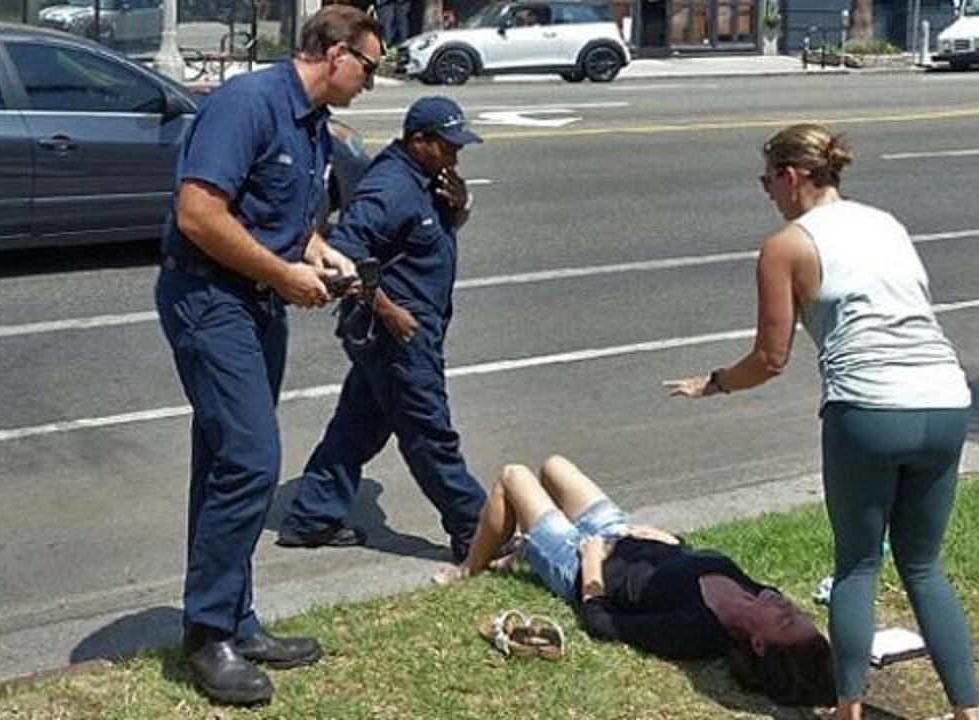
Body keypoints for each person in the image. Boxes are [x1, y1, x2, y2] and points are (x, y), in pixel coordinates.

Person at [665, 124, 979, 720]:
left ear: (791, 176)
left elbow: (769, 360)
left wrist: (715, 383)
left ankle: (848, 709)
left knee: (858, 564)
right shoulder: (886, 223)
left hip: (867, 409)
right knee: (923, 565)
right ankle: (968, 711)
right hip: (944, 401)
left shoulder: (786, 245)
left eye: (766, 182)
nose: (767, 194)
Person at [154, 5, 383, 706]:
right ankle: (207, 638)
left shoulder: (313, 127)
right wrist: (283, 274)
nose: (371, 83)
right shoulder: (247, 103)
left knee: (227, 461)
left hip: (255, 304)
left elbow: (285, 222)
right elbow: (199, 213)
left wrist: (321, 255)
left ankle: (233, 619)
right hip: (210, 299)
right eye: (369, 67)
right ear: (336, 53)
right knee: (253, 460)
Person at [438, 455, 835, 707]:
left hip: (578, 559)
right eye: (798, 612)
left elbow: (601, 623)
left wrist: (591, 562)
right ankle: (522, 549)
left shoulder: (693, 631)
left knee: (513, 476)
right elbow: (694, 561)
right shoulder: (762, 595)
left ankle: (469, 567)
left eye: (785, 620)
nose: (786, 605)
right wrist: (671, 541)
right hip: (624, 533)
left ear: (759, 643)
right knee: (555, 467)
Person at [276, 97, 488, 562]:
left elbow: (420, 238)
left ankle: (311, 518)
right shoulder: (390, 187)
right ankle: (475, 529)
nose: (455, 155)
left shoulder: (426, 179)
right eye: (448, 146)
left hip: (409, 330)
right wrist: (388, 309)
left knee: (358, 426)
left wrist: (459, 203)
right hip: (396, 335)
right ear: (419, 140)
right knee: (429, 432)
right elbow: (345, 251)